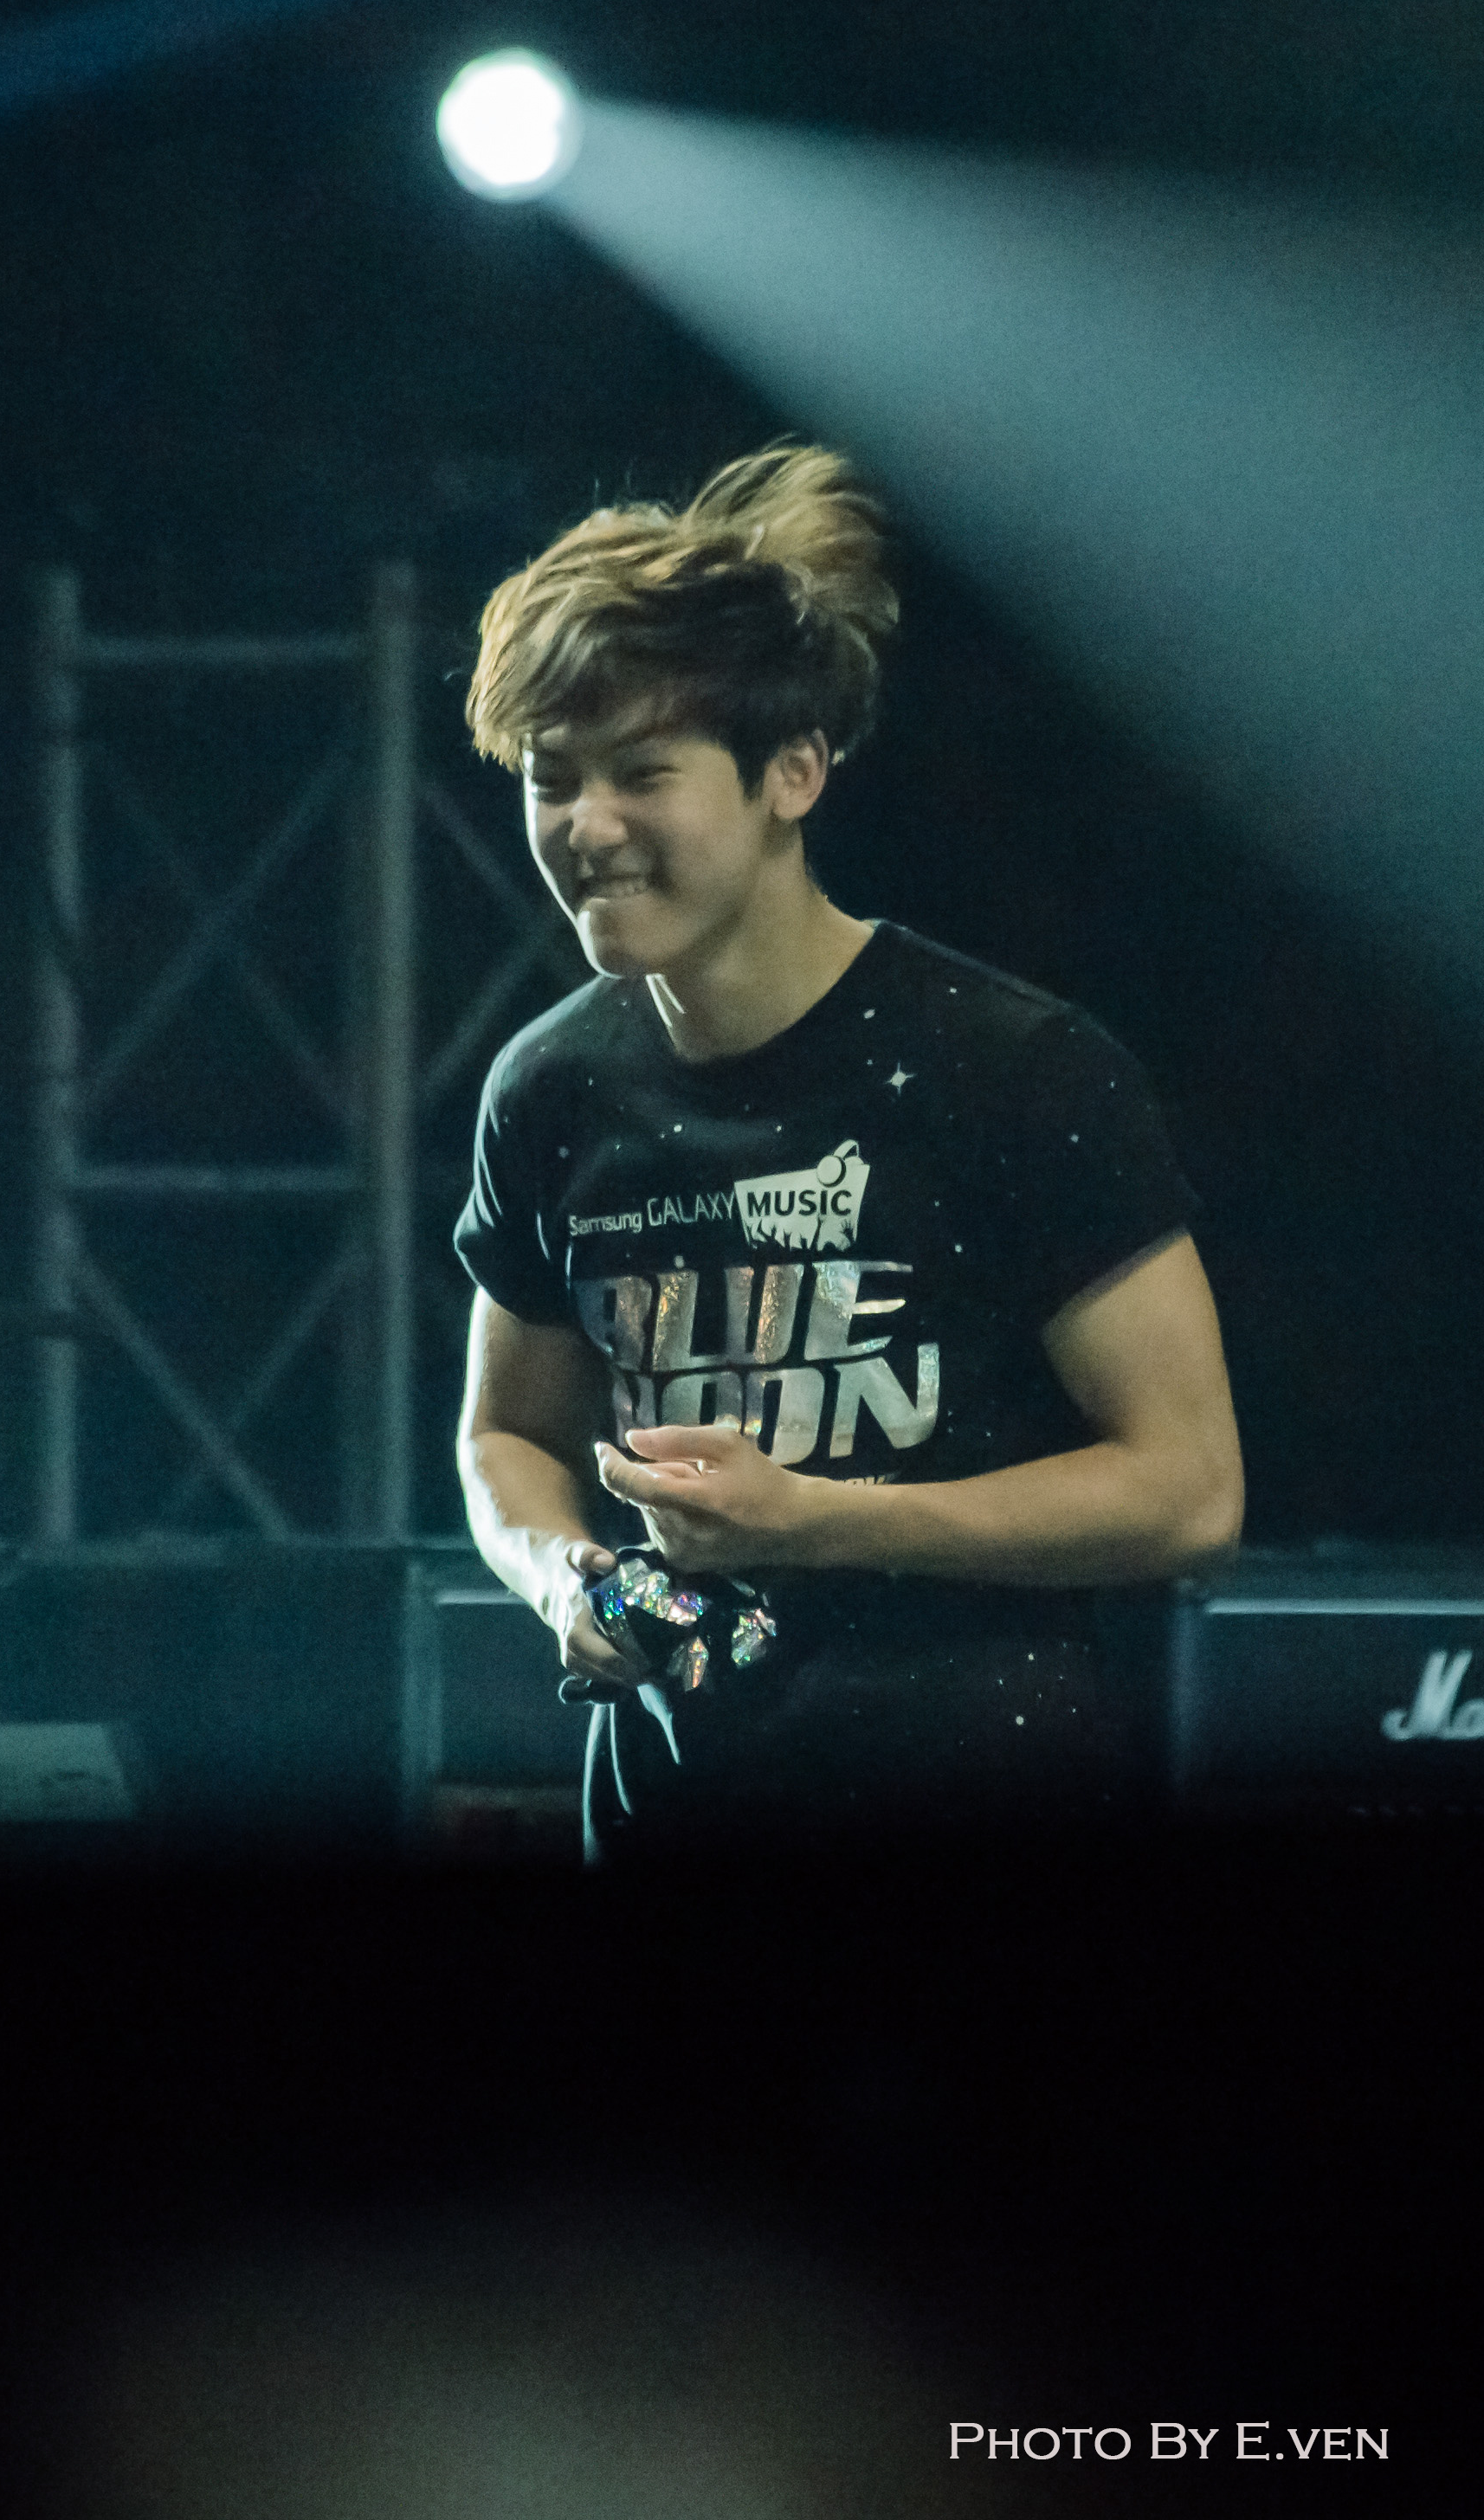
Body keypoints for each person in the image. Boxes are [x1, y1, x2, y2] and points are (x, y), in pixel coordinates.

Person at [453, 442, 1243, 1856]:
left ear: (794, 773)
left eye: (642, 772)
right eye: (551, 778)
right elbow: (504, 1435)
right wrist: (570, 1580)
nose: (587, 827)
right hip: (667, 1817)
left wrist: (818, 1520)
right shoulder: (550, 1087)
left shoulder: (1011, 1066)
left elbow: (1188, 1491)